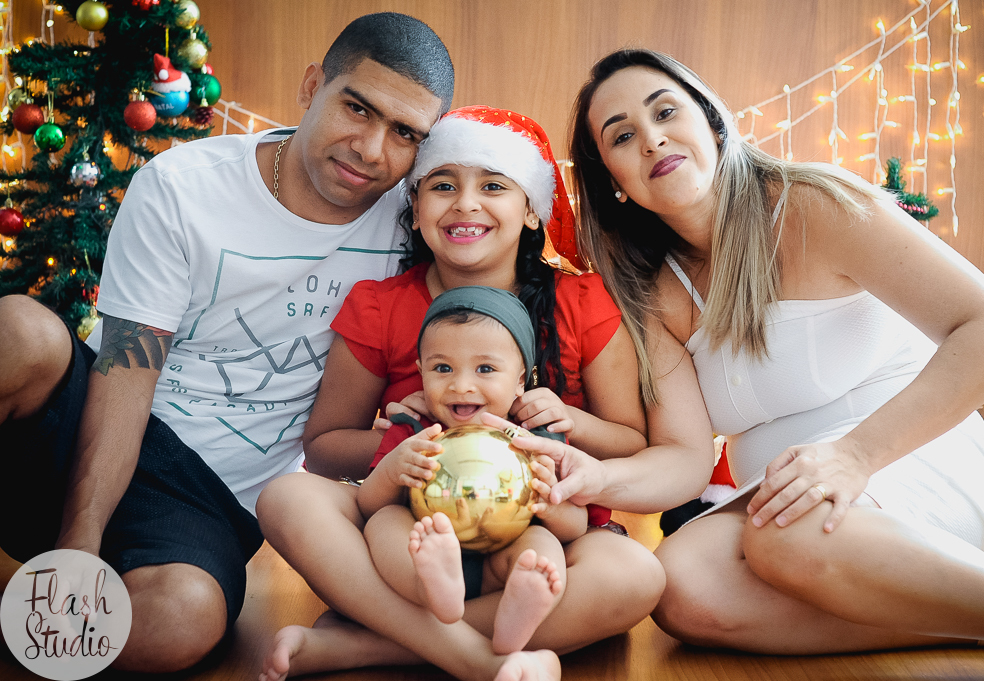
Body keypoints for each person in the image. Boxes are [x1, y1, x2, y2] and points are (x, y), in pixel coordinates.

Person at [504, 46, 984, 654]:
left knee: (788, 534)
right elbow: (685, 459)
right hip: (779, 502)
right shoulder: (648, 291)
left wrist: (855, 456)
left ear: (711, 121)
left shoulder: (813, 206)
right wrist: (596, 479)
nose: (652, 140)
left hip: (903, 456)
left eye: (666, 111)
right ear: (612, 182)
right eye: (622, 137)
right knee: (682, 588)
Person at [0, 12, 453, 673]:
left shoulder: (415, 221)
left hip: (207, 500)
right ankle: (58, 578)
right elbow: (129, 368)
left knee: (180, 618)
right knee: (19, 329)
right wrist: (80, 542)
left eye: (406, 133)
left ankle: (28, 605)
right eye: (358, 108)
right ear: (311, 86)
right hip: (95, 422)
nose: (372, 148)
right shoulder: (186, 187)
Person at [256, 106, 664, 681]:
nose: (466, 203)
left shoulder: (582, 303)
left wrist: (569, 424)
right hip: (411, 526)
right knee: (286, 499)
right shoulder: (380, 305)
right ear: (416, 210)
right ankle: (483, 658)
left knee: (635, 575)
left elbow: (630, 441)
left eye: (493, 185)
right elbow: (322, 448)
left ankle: (369, 644)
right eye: (442, 185)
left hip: (544, 530)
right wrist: (393, 453)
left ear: (531, 210)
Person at [361, 285, 586, 654]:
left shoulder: (535, 437)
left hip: (504, 559)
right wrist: (391, 471)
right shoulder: (416, 430)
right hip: (424, 552)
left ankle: (516, 616)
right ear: (421, 373)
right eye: (442, 368)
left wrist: (551, 502)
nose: (461, 385)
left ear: (520, 380)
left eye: (485, 368)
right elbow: (367, 503)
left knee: (542, 548)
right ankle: (430, 588)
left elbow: (575, 525)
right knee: (385, 520)